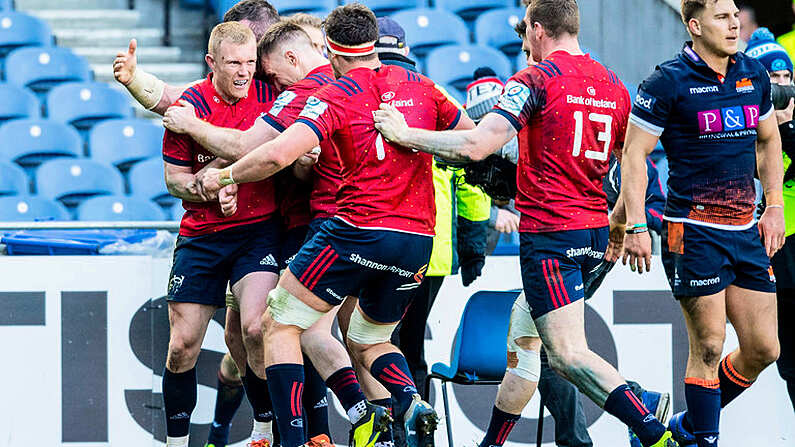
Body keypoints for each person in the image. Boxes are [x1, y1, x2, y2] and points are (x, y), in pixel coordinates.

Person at [372, 0, 679, 446]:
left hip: (552, 236)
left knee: (568, 355)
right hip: (592, 234)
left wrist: (405, 135)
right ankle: (491, 443)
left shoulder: (535, 78)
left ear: (537, 30)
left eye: (523, 39)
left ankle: (652, 428)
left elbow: (477, 145)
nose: (523, 49)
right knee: (524, 342)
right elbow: (636, 165)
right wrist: (622, 223)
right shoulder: (613, 84)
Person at [195, 5, 476, 447]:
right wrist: (416, 138)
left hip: (352, 233)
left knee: (278, 324)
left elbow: (273, 154)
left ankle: (293, 440)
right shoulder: (424, 87)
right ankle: (409, 400)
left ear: (330, 48)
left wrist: (226, 175)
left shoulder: (333, 94)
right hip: (418, 241)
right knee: (368, 339)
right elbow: (472, 141)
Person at [621, 1, 785, 446]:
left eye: (735, 15)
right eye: (721, 17)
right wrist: (636, 224)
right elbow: (633, 153)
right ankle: (704, 440)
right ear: (694, 26)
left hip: (744, 230)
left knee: (764, 349)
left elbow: (769, 141)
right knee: (709, 346)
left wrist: (774, 207)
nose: (734, 24)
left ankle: (684, 428)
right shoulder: (666, 81)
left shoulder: (754, 74)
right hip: (687, 229)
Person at [160, 22, 282, 447]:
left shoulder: (270, 96)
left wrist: (220, 175)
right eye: (234, 63)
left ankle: (263, 432)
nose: (245, 72)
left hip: (257, 232)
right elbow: (174, 181)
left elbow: (260, 148)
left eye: (250, 62)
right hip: (202, 236)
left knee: (254, 329)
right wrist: (205, 190)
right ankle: (176, 441)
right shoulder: (188, 104)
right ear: (211, 62)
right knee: (182, 346)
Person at [375, 16, 492, 400]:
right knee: (411, 348)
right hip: (433, 248)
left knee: (375, 346)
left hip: (373, 242)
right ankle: (418, 430)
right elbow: (473, 173)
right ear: (407, 51)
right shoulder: (436, 95)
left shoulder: (360, 91)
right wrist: (474, 244)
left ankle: (387, 433)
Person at [745, 26, 795, 412]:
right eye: (772, 78)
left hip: (790, 243)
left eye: (786, 77)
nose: (782, 86)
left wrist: (785, 131)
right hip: (766, 249)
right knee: (781, 359)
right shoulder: (741, 121)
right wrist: (770, 128)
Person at [113, 0, 280, 115]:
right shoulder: (221, 85)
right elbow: (170, 99)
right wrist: (133, 78)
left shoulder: (295, 84)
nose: (241, 47)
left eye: (245, 39)